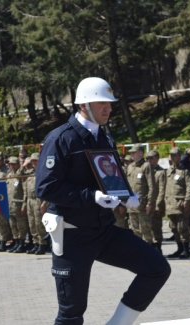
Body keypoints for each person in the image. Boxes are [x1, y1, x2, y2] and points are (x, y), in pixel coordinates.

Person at [35, 77, 170, 324]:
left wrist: (125, 196)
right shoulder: (60, 139)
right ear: (84, 105)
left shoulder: (104, 138)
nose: (108, 108)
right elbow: (46, 187)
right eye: (101, 103)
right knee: (71, 314)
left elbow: (111, 177)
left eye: (110, 103)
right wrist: (92, 197)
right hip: (72, 235)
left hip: (104, 231)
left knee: (157, 268)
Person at [164, 147, 190, 259]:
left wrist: (187, 201)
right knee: (173, 227)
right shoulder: (169, 170)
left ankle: (186, 250)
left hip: (180, 203)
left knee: (182, 228)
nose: (172, 157)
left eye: (175, 155)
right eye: (171, 155)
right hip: (170, 204)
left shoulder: (185, 170)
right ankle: (179, 248)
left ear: (180, 156)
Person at [125, 143, 157, 245]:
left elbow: (152, 186)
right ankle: (138, 253)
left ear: (140, 153)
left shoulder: (146, 166)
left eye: (134, 153)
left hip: (142, 204)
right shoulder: (130, 167)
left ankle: (150, 253)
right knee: (134, 231)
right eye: (132, 153)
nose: (132, 155)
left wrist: (150, 203)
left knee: (146, 230)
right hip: (131, 204)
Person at [146, 150, 167, 253]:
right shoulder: (146, 171)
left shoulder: (161, 172)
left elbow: (162, 189)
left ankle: (158, 248)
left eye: (151, 158)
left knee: (156, 227)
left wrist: (158, 204)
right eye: (147, 158)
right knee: (148, 227)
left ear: (157, 159)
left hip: (156, 204)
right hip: (147, 204)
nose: (149, 160)